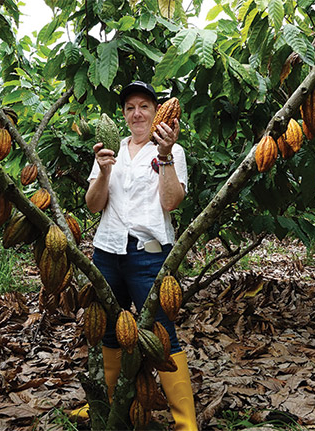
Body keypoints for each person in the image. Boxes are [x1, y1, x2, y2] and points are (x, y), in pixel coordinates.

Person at [71, 81, 197, 430]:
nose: (137, 113)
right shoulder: (110, 151)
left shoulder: (172, 152)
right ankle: (108, 406)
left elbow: (171, 202)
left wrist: (167, 155)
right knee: (110, 331)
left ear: (156, 113)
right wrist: (105, 170)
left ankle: (186, 423)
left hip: (149, 256)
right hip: (108, 253)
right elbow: (94, 205)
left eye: (144, 106)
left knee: (163, 333)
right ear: (124, 115)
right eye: (130, 107)